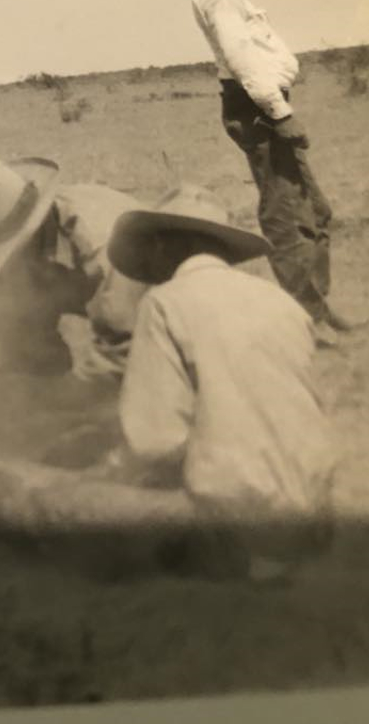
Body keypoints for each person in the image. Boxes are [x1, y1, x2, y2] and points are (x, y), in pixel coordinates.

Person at [102, 184, 337, 581]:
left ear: (162, 245)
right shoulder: (279, 301)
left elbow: (155, 441)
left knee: (86, 508)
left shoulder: (165, 304)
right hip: (314, 510)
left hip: (236, 522)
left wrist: (111, 470)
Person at [171, 0, 361, 345]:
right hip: (257, 106)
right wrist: (280, 113)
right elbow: (242, 59)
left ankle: (318, 309)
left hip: (261, 103)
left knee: (315, 211)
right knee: (287, 214)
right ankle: (304, 321)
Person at [0, 154, 150, 379]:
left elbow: (125, 346)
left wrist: (67, 396)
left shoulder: (103, 239)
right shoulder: (20, 243)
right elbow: (23, 331)